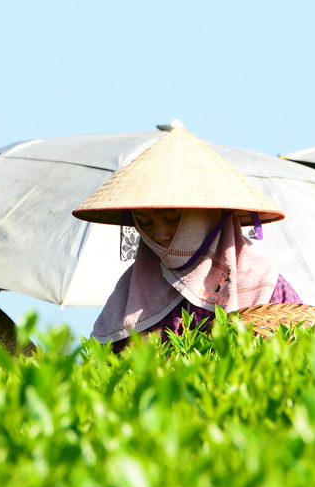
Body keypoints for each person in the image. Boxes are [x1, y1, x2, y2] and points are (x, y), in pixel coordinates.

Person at [74, 124, 303, 346]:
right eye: (145, 222)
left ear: (209, 217)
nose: (160, 235)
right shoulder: (130, 297)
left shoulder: (264, 285)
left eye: (173, 219)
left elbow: (301, 354)